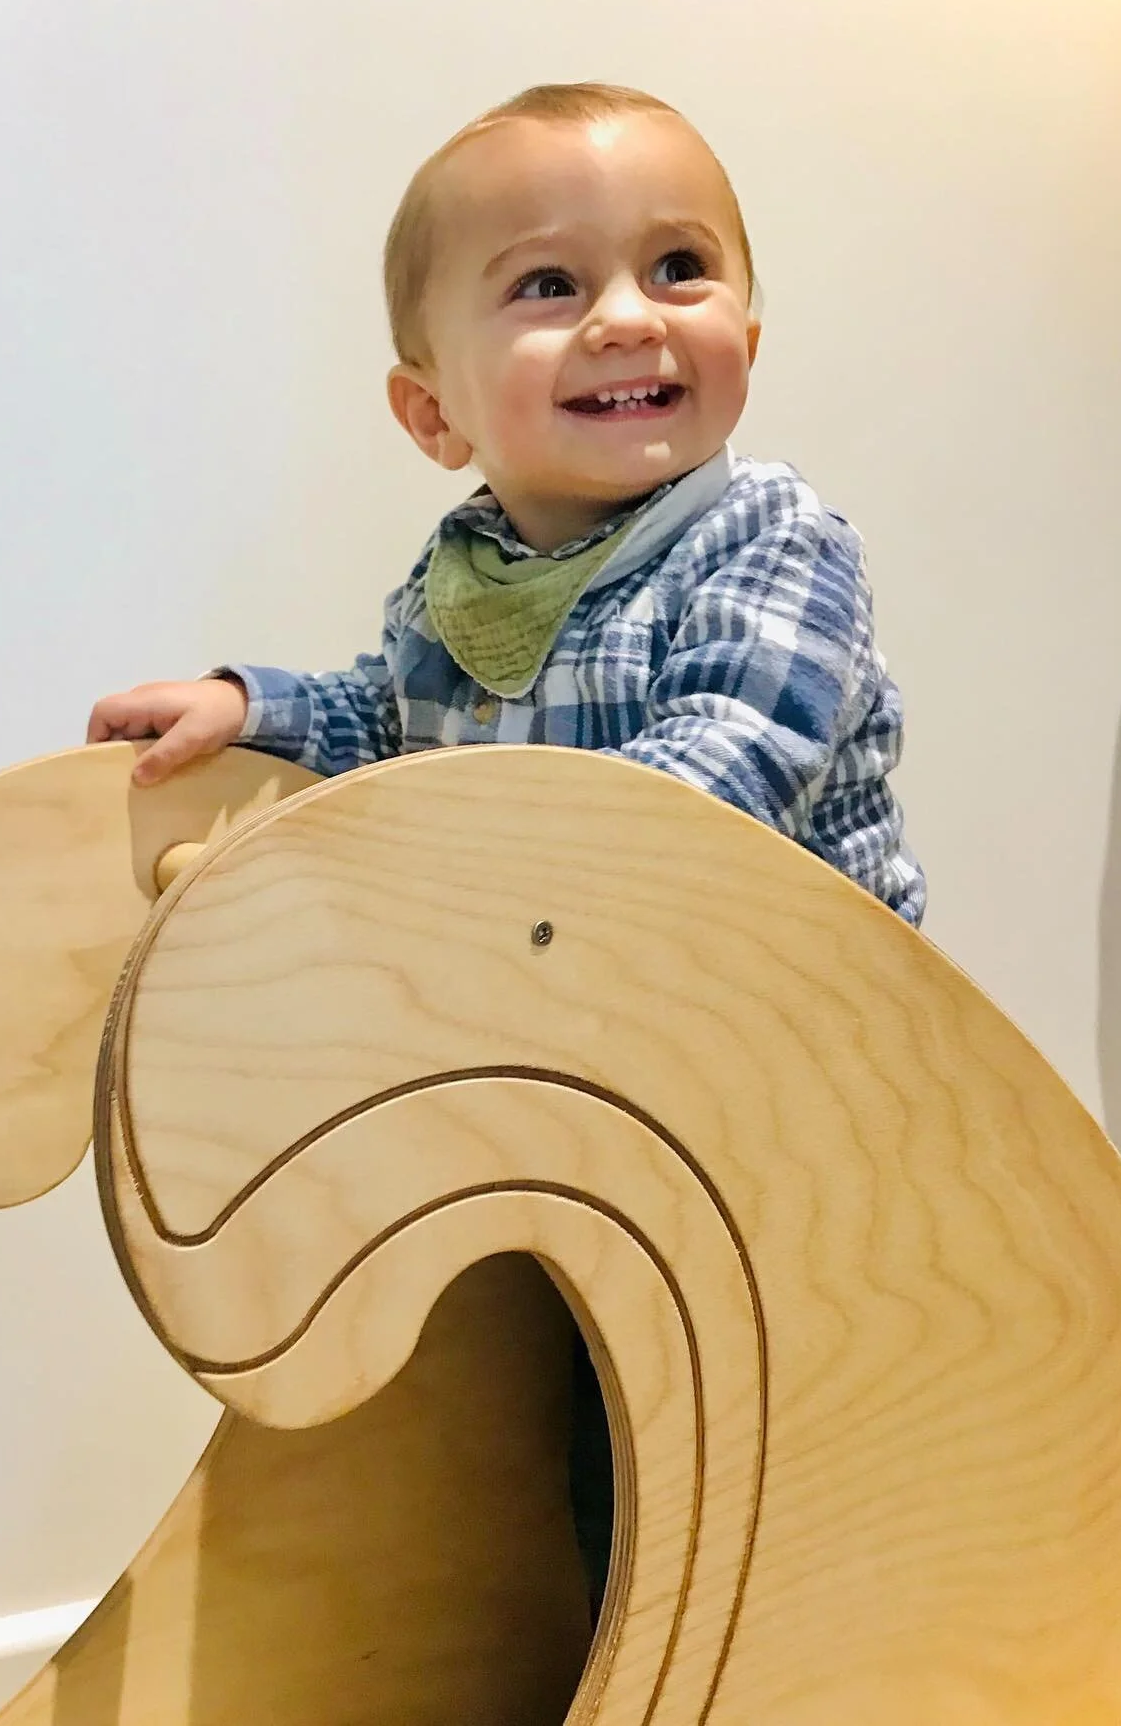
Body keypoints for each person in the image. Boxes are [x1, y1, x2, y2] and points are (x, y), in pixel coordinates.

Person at [88, 80, 926, 1620]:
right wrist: (251, 709)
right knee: (564, 1375)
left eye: (680, 269)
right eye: (551, 285)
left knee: (741, 1390)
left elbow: (717, 780)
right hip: (589, 1059)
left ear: (750, 329)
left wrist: (460, 904)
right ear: (434, 413)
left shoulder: (771, 543)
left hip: (787, 1073)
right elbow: (388, 718)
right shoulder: (467, 574)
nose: (628, 319)